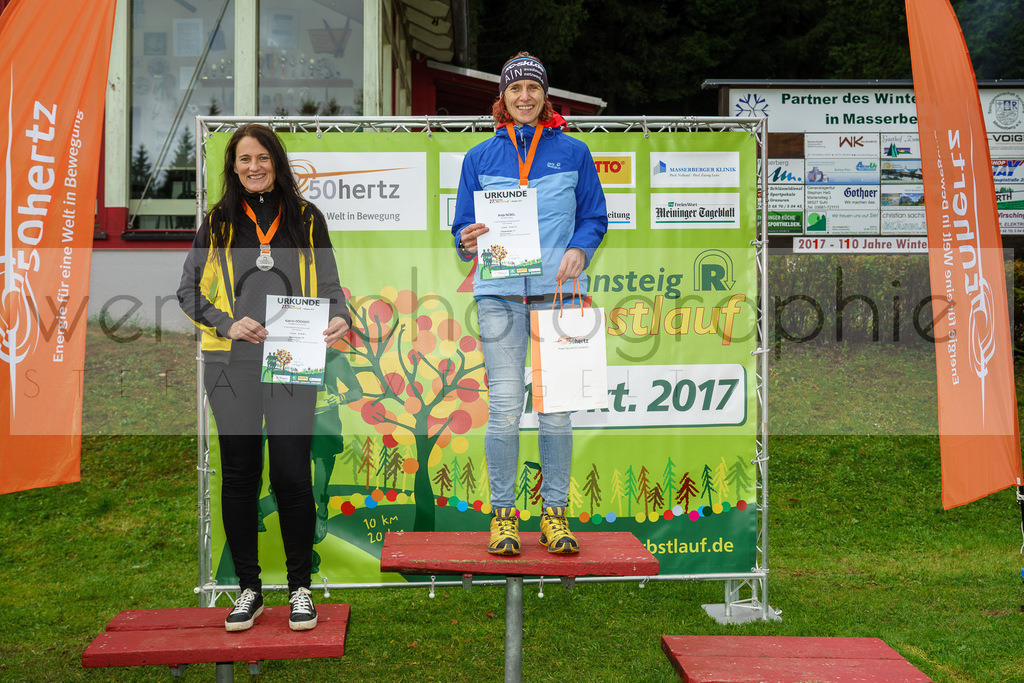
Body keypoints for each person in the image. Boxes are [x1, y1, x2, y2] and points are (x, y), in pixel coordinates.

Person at [177, 124, 350, 632]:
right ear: (233, 167)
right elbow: (188, 291)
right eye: (244, 159)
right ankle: (248, 590)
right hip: (230, 365)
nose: (254, 167)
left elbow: (332, 288)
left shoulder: (306, 218)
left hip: (292, 359)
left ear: (277, 161)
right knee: (240, 475)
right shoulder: (218, 222)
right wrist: (227, 323)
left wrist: (341, 316)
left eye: (262, 157)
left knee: (293, 475)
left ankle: (300, 589)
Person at [451, 52, 608, 556]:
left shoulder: (575, 152)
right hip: (498, 295)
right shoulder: (479, 157)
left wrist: (580, 249)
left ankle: (554, 516)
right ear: (503, 97)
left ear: (545, 96)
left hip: (557, 293)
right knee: (503, 408)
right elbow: (462, 228)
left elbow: (594, 216)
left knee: (555, 412)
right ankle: (503, 517)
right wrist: (466, 240)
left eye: (532, 88)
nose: (524, 96)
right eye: (515, 88)